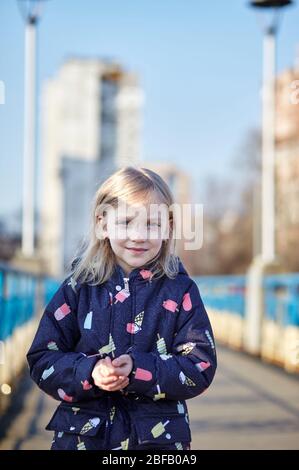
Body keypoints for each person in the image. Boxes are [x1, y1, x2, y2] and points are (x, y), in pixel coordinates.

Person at [27, 166, 217, 451]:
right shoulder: (79, 288)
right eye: (126, 222)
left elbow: (199, 366)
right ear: (103, 224)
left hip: (156, 443)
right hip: (83, 438)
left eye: (152, 224)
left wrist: (139, 370)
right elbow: (43, 358)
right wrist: (89, 371)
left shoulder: (181, 291)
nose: (139, 235)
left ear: (168, 227)